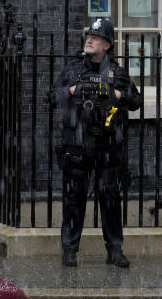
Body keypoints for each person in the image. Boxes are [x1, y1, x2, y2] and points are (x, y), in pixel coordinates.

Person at [50, 17, 141, 268]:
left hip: (108, 146)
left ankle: (115, 251)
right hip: (76, 145)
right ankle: (69, 251)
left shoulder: (117, 73)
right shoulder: (72, 70)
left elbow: (136, 101)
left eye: (96, 37)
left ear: (107, 45)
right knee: (73, 200)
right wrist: (73, 90)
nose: (89, 40)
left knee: (110, 199)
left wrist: (116, 93)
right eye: (89, 36)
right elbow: (52, 97)